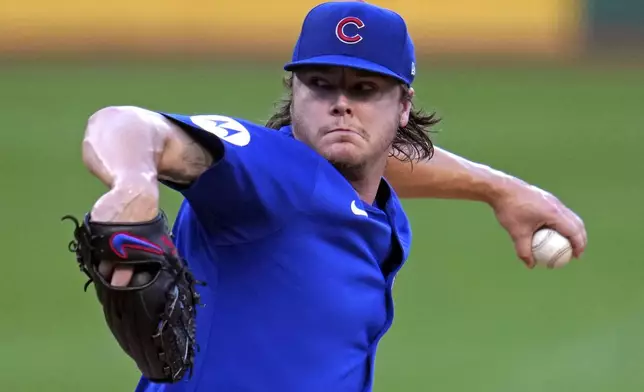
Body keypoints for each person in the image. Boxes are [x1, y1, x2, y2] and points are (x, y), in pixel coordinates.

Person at [78, 2, 586, 392]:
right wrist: (132, 185)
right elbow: (126, 124)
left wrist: (500, 189)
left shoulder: (365, 199)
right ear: (293, 90)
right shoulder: (264, 175)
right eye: (321, 85)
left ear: (403, 106)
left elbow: (371, 162)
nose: (341, 105)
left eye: (364, 90)